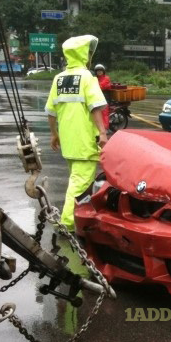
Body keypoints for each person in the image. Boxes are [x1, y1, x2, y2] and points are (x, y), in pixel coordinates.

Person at [45, 35, 108, 232]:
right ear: (82, 55)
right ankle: (68, 224)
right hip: (84, 142)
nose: (90, 56)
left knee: (78, 180)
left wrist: (54, 134)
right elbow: (95, 108)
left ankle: (81, 219)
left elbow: (51, 111)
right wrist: (103, 134)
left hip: (69, 142)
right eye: (88, 52)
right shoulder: (87, 78)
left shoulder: (59, 79)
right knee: (79, 184)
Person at [94, 63, 112, 130]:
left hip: (104, 98)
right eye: (97, 71)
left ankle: (105, 128)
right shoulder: (95, 78)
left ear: (103, 71)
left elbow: (101, 86)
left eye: (100, 70)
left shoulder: (106, 78)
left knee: (104, 113)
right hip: (96, 98)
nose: (99, 72)